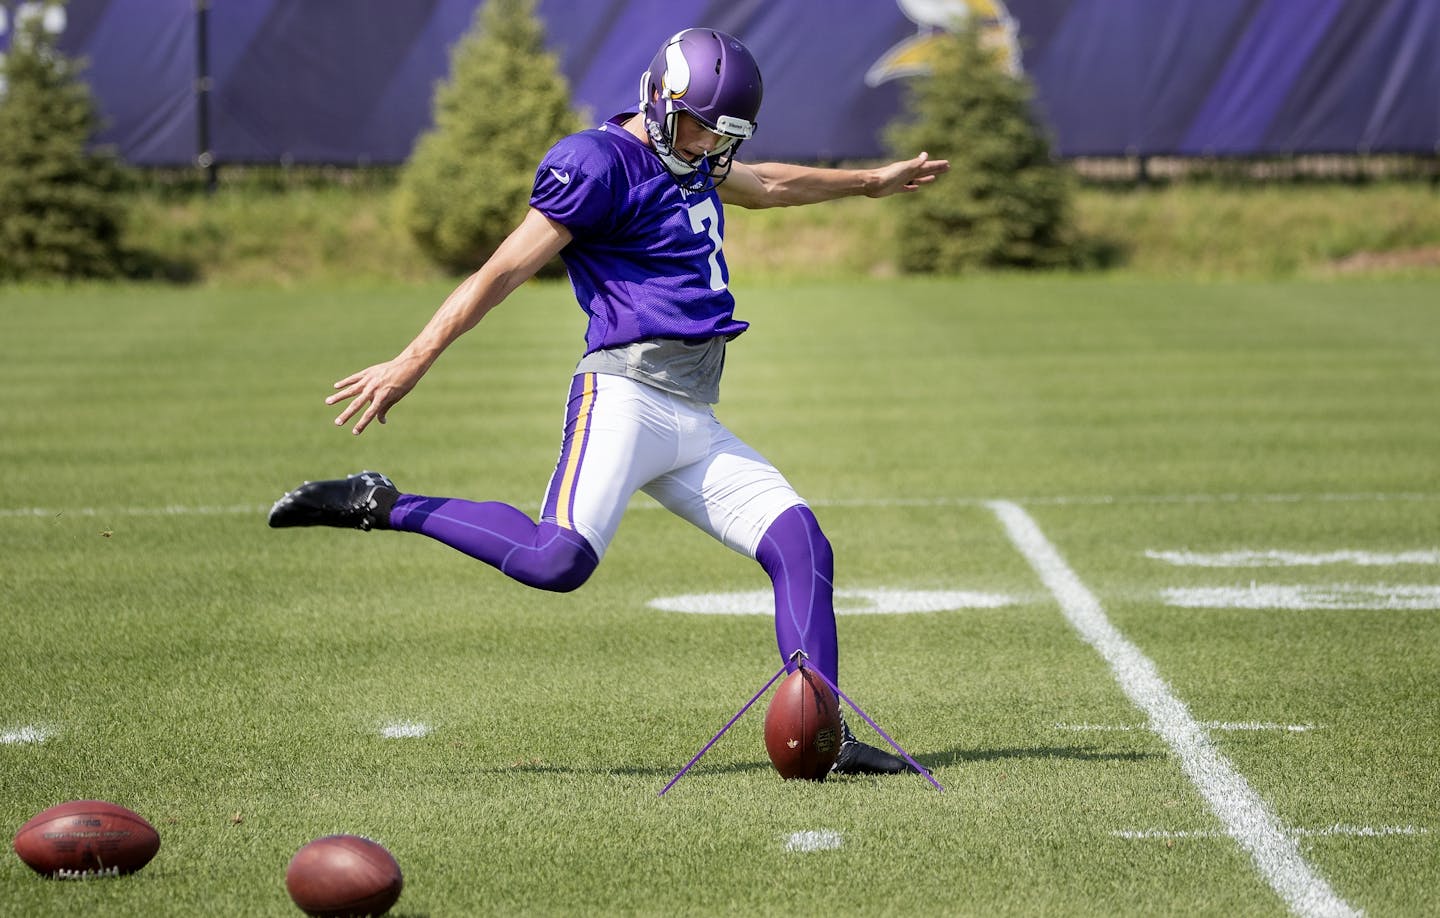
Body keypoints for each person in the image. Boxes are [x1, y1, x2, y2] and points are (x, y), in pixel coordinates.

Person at [269, 28, 948, 775]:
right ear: (660, 98)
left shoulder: (700, 154)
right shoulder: (596, 163)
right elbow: (498, 273)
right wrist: (412, 359)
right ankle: (385, 502)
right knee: (554, 560)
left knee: (801, 545)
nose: (707, 145)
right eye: (698, 126)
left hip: (693, 410)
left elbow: (773, 186)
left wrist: (869, 183)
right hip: (624, 394)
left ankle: (826, 736)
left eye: (725, 135)